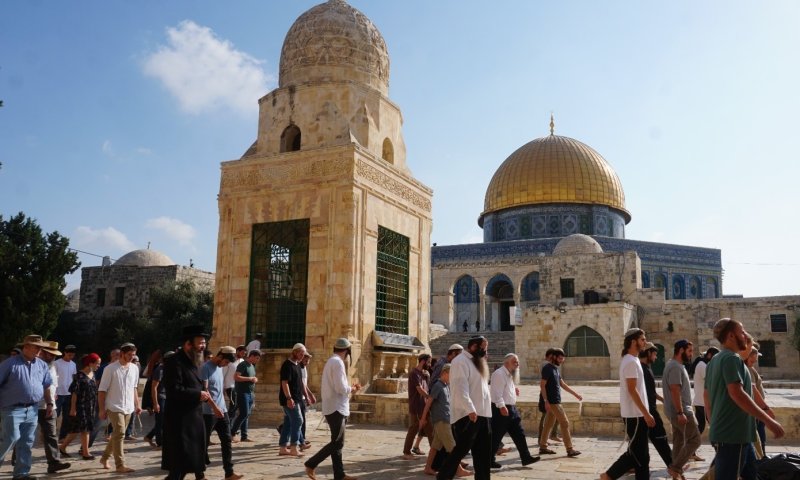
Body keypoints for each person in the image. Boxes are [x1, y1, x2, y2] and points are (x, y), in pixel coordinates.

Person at [705, 318, 782, 480]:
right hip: (733, 436)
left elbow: (708, 396)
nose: (746, 335)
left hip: (739, 436)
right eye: (742, 331)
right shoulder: (731, 359)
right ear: (731, 336)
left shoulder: (715, 360)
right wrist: (768, 420)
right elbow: (737, 393)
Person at [600, 328, 655, 480]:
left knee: (642, 457)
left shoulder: (633, 359)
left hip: (637, 415)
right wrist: (646, 413)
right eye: (642, 339)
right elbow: (632, 390)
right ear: (633, 341)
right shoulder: (630, 361)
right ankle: (608, 476)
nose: (645, 342)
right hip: (635, 416)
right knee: (636, 455)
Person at [304, 338, 361, 480]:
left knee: (337, 443)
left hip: (334, 407)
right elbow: (340, 388)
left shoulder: (332, 361)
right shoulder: (337, 363)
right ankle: (311, 463)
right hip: (336, 408)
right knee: (337, 442)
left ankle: (339, 474)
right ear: (347, 350)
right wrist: (352, 388)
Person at [436, 335, 492, 480]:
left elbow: (480, 388)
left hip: (482, 413)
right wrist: (470, 409)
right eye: (483, 348)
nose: (486, 351)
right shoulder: (460, 361)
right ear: (474, 347)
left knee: (483, 451)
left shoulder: (477, 362)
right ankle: (443, 476)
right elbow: (461, 388)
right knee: (461, 449)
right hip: (468, 415)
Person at [0, 335, 55, 479]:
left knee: (27, 442)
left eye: (40, 347)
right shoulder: (10, 363)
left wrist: (49, 403)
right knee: (10, 438)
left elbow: (46, 386)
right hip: (12, 408)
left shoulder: (42, 365)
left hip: (33, 409)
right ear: (26, 347)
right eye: (36, 346)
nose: (39, 350)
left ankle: (21, 473)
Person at [162, 325, 214, 480]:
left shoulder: (193, 361)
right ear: (188, 344)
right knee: (181, 462)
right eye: (200, 343)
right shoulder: (174, 362)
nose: (202, 347)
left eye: (204, 343)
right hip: (180, 421)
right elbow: (174, 389)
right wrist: (198, 394)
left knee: (190, 461)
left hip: (194, 418)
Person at [490, 353, 540, 470]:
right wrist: (502, 406)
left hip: (511, 409)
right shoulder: (499, 374)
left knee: (519, 434)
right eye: (515, 362)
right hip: (501, 410)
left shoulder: (509, 375)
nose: (517, 364)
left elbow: (505, 390)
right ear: (507, 363)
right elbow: (496, 393)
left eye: (517, 362)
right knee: (496, 436)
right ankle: (489, 460)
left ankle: (526, 457)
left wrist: (513, 391)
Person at [420, 364, 471, 477]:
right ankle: (459, 470)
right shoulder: (438, 386)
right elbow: (429, 402)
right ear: (444, 373)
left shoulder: (446, 386)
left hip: (445, 420)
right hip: (441, 421)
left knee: (435, 446)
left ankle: (427, 468)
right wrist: (423, 418)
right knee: (452, 447)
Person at [200, 346, 243, 480]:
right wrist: (215, 408)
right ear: (220, 356)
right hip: (208, 413)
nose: (226, 364)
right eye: (225, 362)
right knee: (203, 443)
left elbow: (219, 388)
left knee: (227, 441)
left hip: (222, 411)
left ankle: (229, 472)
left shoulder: (220, 368)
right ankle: (199, 475)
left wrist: (224, 404)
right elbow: (204, 391)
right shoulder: (205, 368)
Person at [98, 342, 141, 473]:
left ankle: (104, 458)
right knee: (121, 432)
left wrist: (137, 404)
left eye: (133, 355)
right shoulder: (110, 369)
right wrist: (101, 409)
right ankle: (120, 465)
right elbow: (101, 390)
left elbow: (134, 387)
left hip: (128, 407)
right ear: (121, 354)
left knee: (117, 434)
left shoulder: (134, 368)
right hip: (113, 406)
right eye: (129, 354)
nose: (132, 357)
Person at [662, 339, 701, 479]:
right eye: (689, 351)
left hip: (676, 411)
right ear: (681, 350)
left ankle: (675, 473)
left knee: (679, 440)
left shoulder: (675, 365)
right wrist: (680, 412)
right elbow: (674, 390)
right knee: (695, 440)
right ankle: (676, 468)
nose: (691, 354)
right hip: (681, 411)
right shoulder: (675, 367)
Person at [33, 340, 71, 473]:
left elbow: (52, 384)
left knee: (51, 435)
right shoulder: (34, 365)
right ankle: (16, 458)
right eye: (50, 354)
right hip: (33, 406)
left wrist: (53, 397)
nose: (52, 356)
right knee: (25, 435)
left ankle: (54, 462)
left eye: (54, 354)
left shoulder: (53, 366)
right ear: (42, 352)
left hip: (50, 406)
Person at [538, 348, 581, 457]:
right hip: (553, 402)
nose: (562, 360)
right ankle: (569, 449)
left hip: (555, 401)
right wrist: (546, 401)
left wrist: (576, 395)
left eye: (563, 358)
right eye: (560, 358)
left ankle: (543, 447)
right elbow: (542, 385)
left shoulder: (555, 369)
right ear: (554, 357)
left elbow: (563, 384)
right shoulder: (547, 368)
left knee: (548, 424)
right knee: (565, 423)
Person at [60, 353, 101, 460]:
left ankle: (62, 447)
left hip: (91, 406)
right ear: (90, 363)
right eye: (97, 363)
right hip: (81, 406)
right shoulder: (79, 376)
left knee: (75, 430)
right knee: (85, 430)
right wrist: (73, 408)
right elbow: (74, 393)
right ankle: (86, 453)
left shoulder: (93, 374)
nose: (98, 366)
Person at [638, 342, 672, 469]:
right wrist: (647, 413)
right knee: (660, 437)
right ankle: (672, 465)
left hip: (647, 409)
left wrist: (661, 399)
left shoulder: (646, 368)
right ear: (648, 353)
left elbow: (650, 391)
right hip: (648, 410)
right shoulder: (642, 369)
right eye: (654, 354)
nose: (656, 357)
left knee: (640, 443)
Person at [279, 343, 307, 457]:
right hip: (289, 399)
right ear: (294, 352)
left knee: (288, 422)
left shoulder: (298, 365)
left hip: (297, 398)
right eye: (301, 353)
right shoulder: (287, 365)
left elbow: (300, 383)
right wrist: (289, 398)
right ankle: (294, 447)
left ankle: (283, 447)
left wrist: (306, 396)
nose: (302, 356)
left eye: (303, 354)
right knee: (298, 420)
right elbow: (284, 382)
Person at [403, 353, 433, 460]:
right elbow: (419, 389)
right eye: (428, 362)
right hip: (416, 406)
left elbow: (427, 387)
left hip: (424, 406)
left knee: (430, 429)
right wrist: (430, 397)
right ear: (423, 361)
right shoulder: (414, 373)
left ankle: (434, 453)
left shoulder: (424, 374)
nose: (429, 364)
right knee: (413, 429)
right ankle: (406, 452)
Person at [230, 349, 261, 442]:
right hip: (242, 393)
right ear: (251, 356)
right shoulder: (243, 364)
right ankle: (232, 433)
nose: (257, 360)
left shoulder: (252, 366)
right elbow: (236, 377)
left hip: (250, 393)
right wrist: (250, 378)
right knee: (244, 413)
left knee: (247, 415)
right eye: (257, 358)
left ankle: (244, 436)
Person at [691, 346, 718, 448]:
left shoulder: (703, 364)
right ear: (710, 355)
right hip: (703, 403)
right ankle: (717, 448)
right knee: (712, 426)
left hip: (701, 401)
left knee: (701, 427)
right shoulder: (702, 365)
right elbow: (711, 382)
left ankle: (691, 450)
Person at [745, 345, 767, 452]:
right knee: (759, 437)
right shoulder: (748, 370)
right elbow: (753, 390)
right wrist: (764, 409)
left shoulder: (750, 368)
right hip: (756, 409)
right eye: (752, 360)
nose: (753, 363)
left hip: (756, 408)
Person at [54, 344, 78, 441]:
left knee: (67, 416)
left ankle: (62, 436)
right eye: (69, 355)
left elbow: (74, 378)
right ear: (65, 353)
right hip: (58, 393)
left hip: (69, 394)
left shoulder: (73, 364)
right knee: (55, 415)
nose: (70, 357)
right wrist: (54, 392)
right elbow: (53, 378)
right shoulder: (57, 363)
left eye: (72, 355)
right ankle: (50, 435)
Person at [537, 348, 560, 445]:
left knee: (556, 416)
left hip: (553, 397)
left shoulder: (554, 367)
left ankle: (553, 435)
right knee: (544, 418)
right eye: (552, 356)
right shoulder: (546, 366)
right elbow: (542, 384)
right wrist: (545, 399)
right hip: (545, 397)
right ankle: (541, 439)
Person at [143, 350, 164, 448]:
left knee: (164, 421)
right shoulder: (159, 369)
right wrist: (155, 404)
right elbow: (153, 387)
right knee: (160, 421)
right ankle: (160, 442)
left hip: (165, 397)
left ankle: (150, 436)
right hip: (160, 398)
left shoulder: (166, 368)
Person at [223, 346, 246, 420]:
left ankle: (230, 424)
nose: (243, 355)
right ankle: (228, 423)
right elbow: (223, 373)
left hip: (239, 386)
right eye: (242, 353)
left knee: (236, 405)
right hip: (229, 385)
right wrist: (222, 387)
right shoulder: (230, 361)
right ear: (237, 351)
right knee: (234, 404)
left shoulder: (242, 361)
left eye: (244, 354)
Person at [299, 351, 316, 449]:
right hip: (299, 397)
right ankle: (302, 439)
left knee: (299, 418)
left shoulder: (304, 368)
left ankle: (282, 428)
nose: (307, 361)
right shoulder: (299, 368)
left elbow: (305, 384)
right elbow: (301, 385)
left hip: (303, 397)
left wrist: (310, 394)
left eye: (308, 359)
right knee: (301, 419)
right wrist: (308, 396)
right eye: (306, 359)